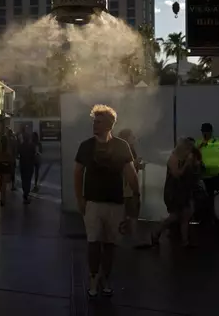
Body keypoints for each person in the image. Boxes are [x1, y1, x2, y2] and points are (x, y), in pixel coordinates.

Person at [74, 105, 140, 298]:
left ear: (110, 124)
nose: (95, 125)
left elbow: (130, 173)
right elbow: (77, 173)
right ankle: (93, 278)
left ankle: (106, 278)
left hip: (115, 203)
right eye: (94, 121)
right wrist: (80, 199)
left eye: (99, 122)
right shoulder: (86, 146)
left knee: (110, 244)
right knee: (93, 242)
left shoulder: (121, 146)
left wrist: (136, 196)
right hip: (92, 203)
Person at [151, 138, 202, 247]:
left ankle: (185, 241)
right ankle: (157, 231)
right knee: (176, 215)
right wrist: (187, 164)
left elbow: (195, 172)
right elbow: (177, 174)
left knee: (185, 215)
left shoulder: (190, 157)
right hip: (174, 190)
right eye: (188, 148)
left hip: (185, 190)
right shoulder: (174, 158)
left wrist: (194, 163)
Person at [195, 123, 219, 224]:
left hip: (217, 176)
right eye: (203, 132)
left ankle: (218, 220)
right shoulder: (198, 143)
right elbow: (193, 155)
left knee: (218, 199)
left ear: (211, 132)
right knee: (204, 199)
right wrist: (200, 146)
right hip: (204, 177)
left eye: (207, 132)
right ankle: (205, 220)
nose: (205, 134)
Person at [117, 129, 144, 245]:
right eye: (132, 136)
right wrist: (137, 163)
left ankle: (119, 237)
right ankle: (134, 239)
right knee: (133, 213)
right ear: (127, 138)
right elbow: (128, 168)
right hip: (128, 186)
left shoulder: (120, 150)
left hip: (123, 186)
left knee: (123, 213)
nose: (134, 138)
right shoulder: (128, 151)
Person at [0, 135, 15, 207]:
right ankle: (3, 198)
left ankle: (2, 197)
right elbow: (11, 157)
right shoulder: (8, 147)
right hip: (6, 166)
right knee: (4, 183)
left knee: (1, 182)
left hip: (0, 165)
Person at [17, 131, 37, 204]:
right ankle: (26, 193)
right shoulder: (32, 146)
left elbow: (18, 154)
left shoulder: (21, 146)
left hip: (23, 165)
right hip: (29, 165)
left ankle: (25, 192)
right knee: (28, 179)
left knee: (23, 179)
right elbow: (34, 155)